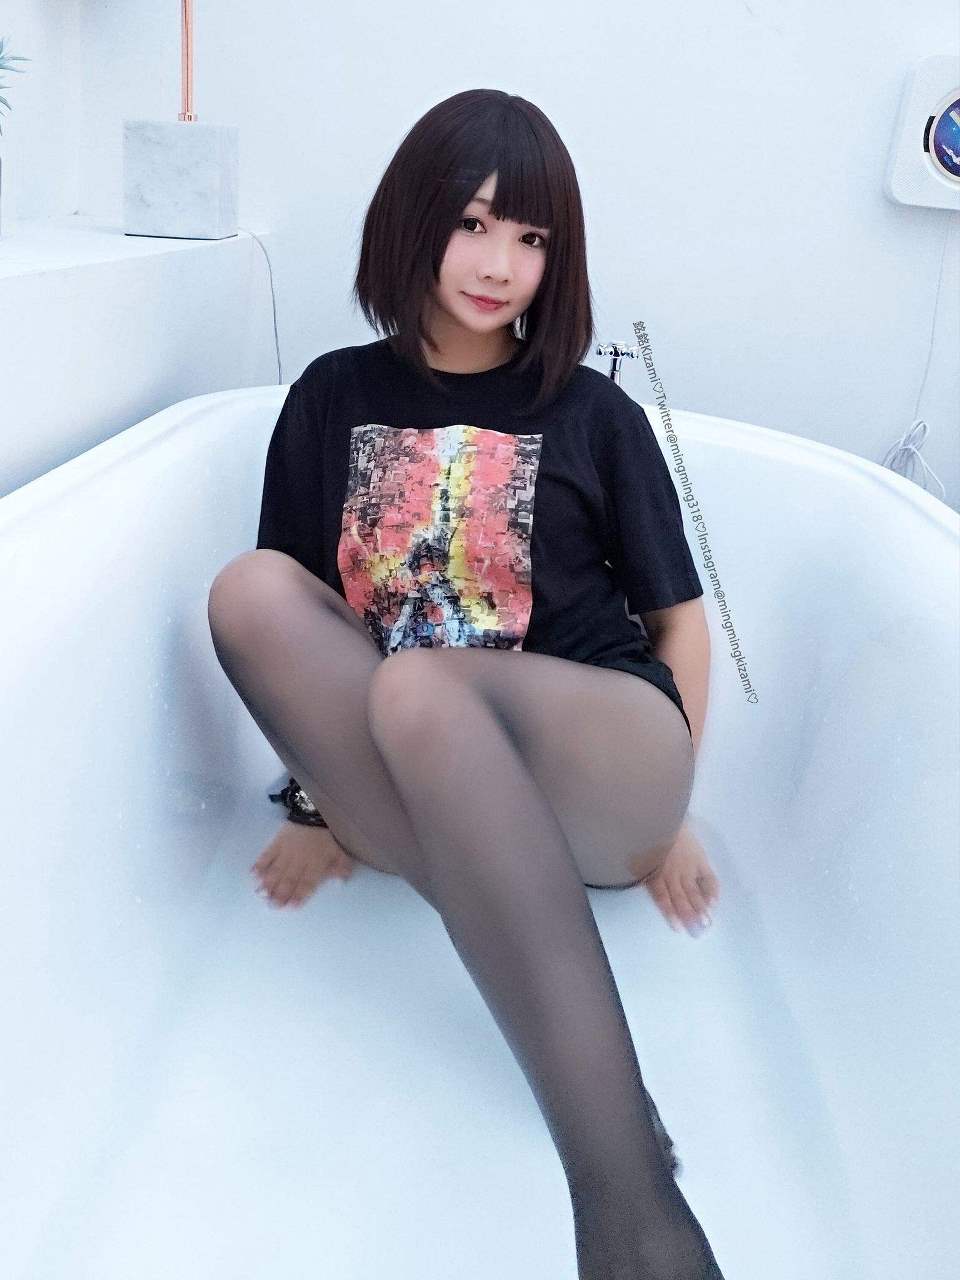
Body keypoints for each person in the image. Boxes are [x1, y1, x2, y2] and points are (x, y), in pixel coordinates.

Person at [207, 89, 724, 1280]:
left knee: (417, 689)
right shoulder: (331, 396)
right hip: (431, 787)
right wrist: (318, 805)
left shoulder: (594, 411)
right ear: (415, 220)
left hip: (605, 767)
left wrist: (672, 806)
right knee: (250, 591)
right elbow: (313, 625)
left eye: (532, 238)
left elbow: (680, 626)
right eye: (475, 224)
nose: (500, 265)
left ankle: (630, 1192)